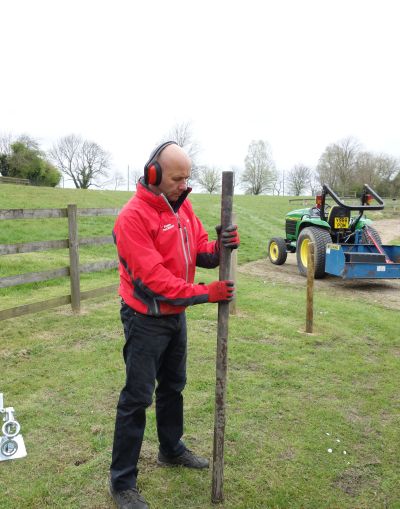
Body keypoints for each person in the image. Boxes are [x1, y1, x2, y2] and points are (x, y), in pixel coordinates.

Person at [109, 141, 240, 509]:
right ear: (152, 174)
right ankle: (122, 483)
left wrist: (221, 247)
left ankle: (170, 448)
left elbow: (201, 250)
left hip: (174, 317)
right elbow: (154, 281)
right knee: (136, 398)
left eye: (188, 177)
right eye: (177, 178)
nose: (185, 185)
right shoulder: (132, 218)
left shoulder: (183, 207)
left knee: (173, 386)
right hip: (144, 318)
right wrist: (205, 293)